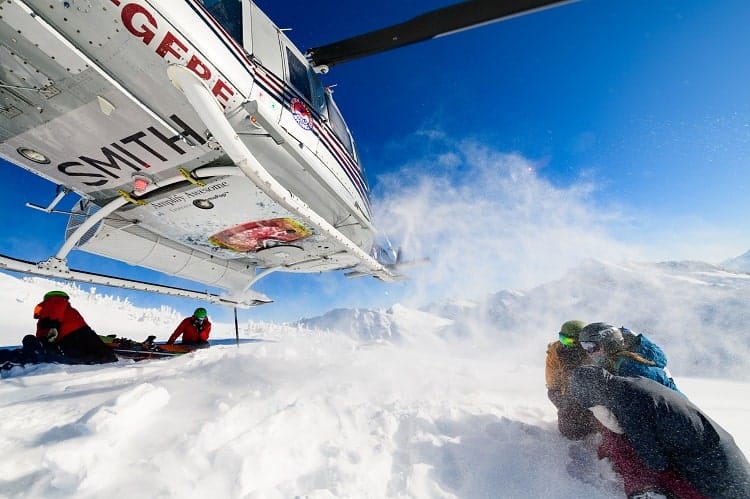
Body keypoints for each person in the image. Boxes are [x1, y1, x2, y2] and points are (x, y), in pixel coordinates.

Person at [570, 365, 750, 499]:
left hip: (710, 467)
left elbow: (656, 461)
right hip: (719, 448)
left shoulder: (627, 404)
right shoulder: (631, 383)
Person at [577, 322, 679, 392]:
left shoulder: (632, 369)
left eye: (591, 346)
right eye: (584, 346)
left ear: (609, 345)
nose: (588, 352)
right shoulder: (619, 366)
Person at [31, 290, 117, 364]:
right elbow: (57, 310)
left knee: (79, 355)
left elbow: (41, 333)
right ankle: (105, 355)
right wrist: (54, 326)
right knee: (104, 353)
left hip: (67, 339)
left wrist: (45, 343)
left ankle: (91, 359)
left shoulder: (44, 313)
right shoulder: (58, 302)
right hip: (79, 333)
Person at [545, 320, 597, 440]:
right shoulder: (555, 351)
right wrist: (565, 401)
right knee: (571, 431)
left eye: (572, 341)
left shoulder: (592, 350)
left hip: (589, 393)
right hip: (562, 392)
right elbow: (552, 383)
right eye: (564, 339)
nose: (567, 344)